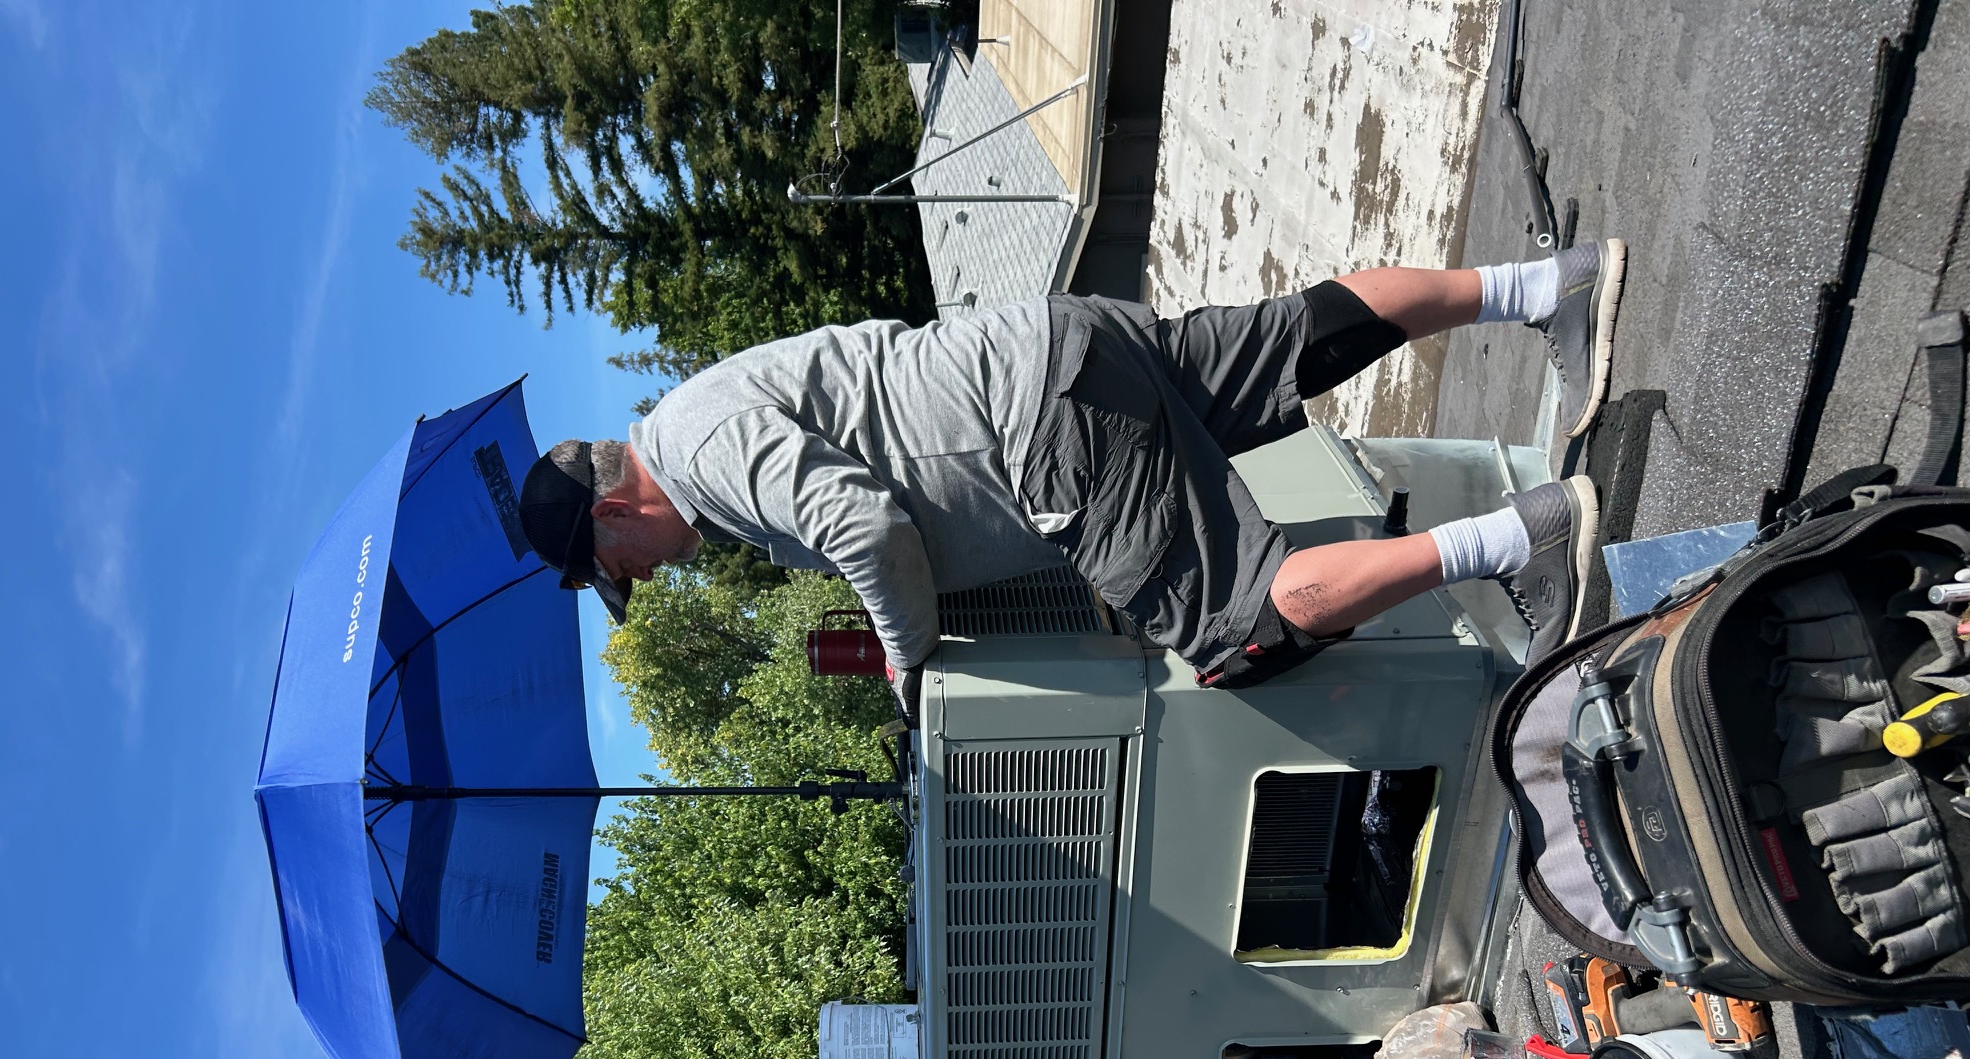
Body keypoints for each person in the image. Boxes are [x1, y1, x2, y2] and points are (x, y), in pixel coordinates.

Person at [516, 241, 1628, 717]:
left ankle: (1523, 540)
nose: (645, 580)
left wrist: (908, 659)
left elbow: (861, 525)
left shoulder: (702, 455)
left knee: (1237, 632)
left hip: (1042, 436)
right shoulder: (704, 411)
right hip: (1061, 348)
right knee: (1290, 338)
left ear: (617, 511)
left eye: (620, 566)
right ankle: (1550, 287)